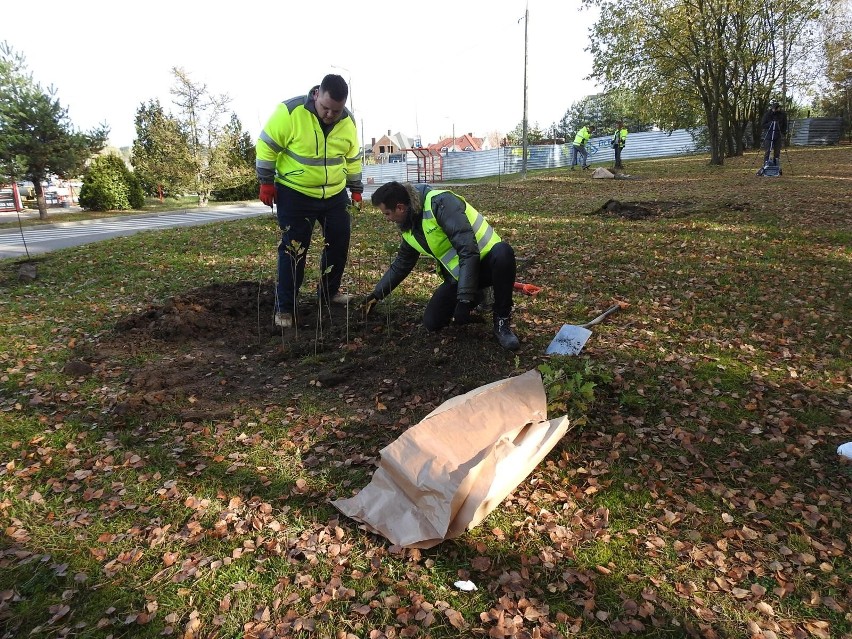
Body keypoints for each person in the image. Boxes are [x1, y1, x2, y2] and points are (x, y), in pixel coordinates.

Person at [256, 74, 364, 328]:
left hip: (335, 195)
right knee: (294, 251)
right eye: (325, 108)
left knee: (338, 244)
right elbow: (267, 145)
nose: (329, 114)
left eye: (335, 111)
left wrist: (356, 189)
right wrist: (266, 181)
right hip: (296, 193)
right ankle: (285, 307)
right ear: (317, 94)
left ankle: (329, 293)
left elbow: (353, 157)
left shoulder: (348, 121)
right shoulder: (290, 112)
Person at [363, 181, 521, 351]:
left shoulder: (441, 203)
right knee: (432, 322)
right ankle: (479, 294)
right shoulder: (409, 227)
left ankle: (501, 322)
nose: (387, 219)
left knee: (503, 253)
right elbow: (402, 264)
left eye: (387, 214)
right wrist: (376, 294)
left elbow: (468, 250)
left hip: (488, 264)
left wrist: (464, 299)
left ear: (400, 208)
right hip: (461, 276)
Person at [761, 101, 788, 167]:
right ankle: (766, 165)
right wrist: (771, 124)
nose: (775, 110)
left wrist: (783, 133)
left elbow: (785, 125)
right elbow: (763, 125)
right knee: (768, 150)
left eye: (776, 109)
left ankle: (776, 165)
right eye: (774, 109)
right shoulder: (768, 114)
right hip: (769, 134)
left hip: (778, 134)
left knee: (777, 151)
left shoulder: (783, 114)